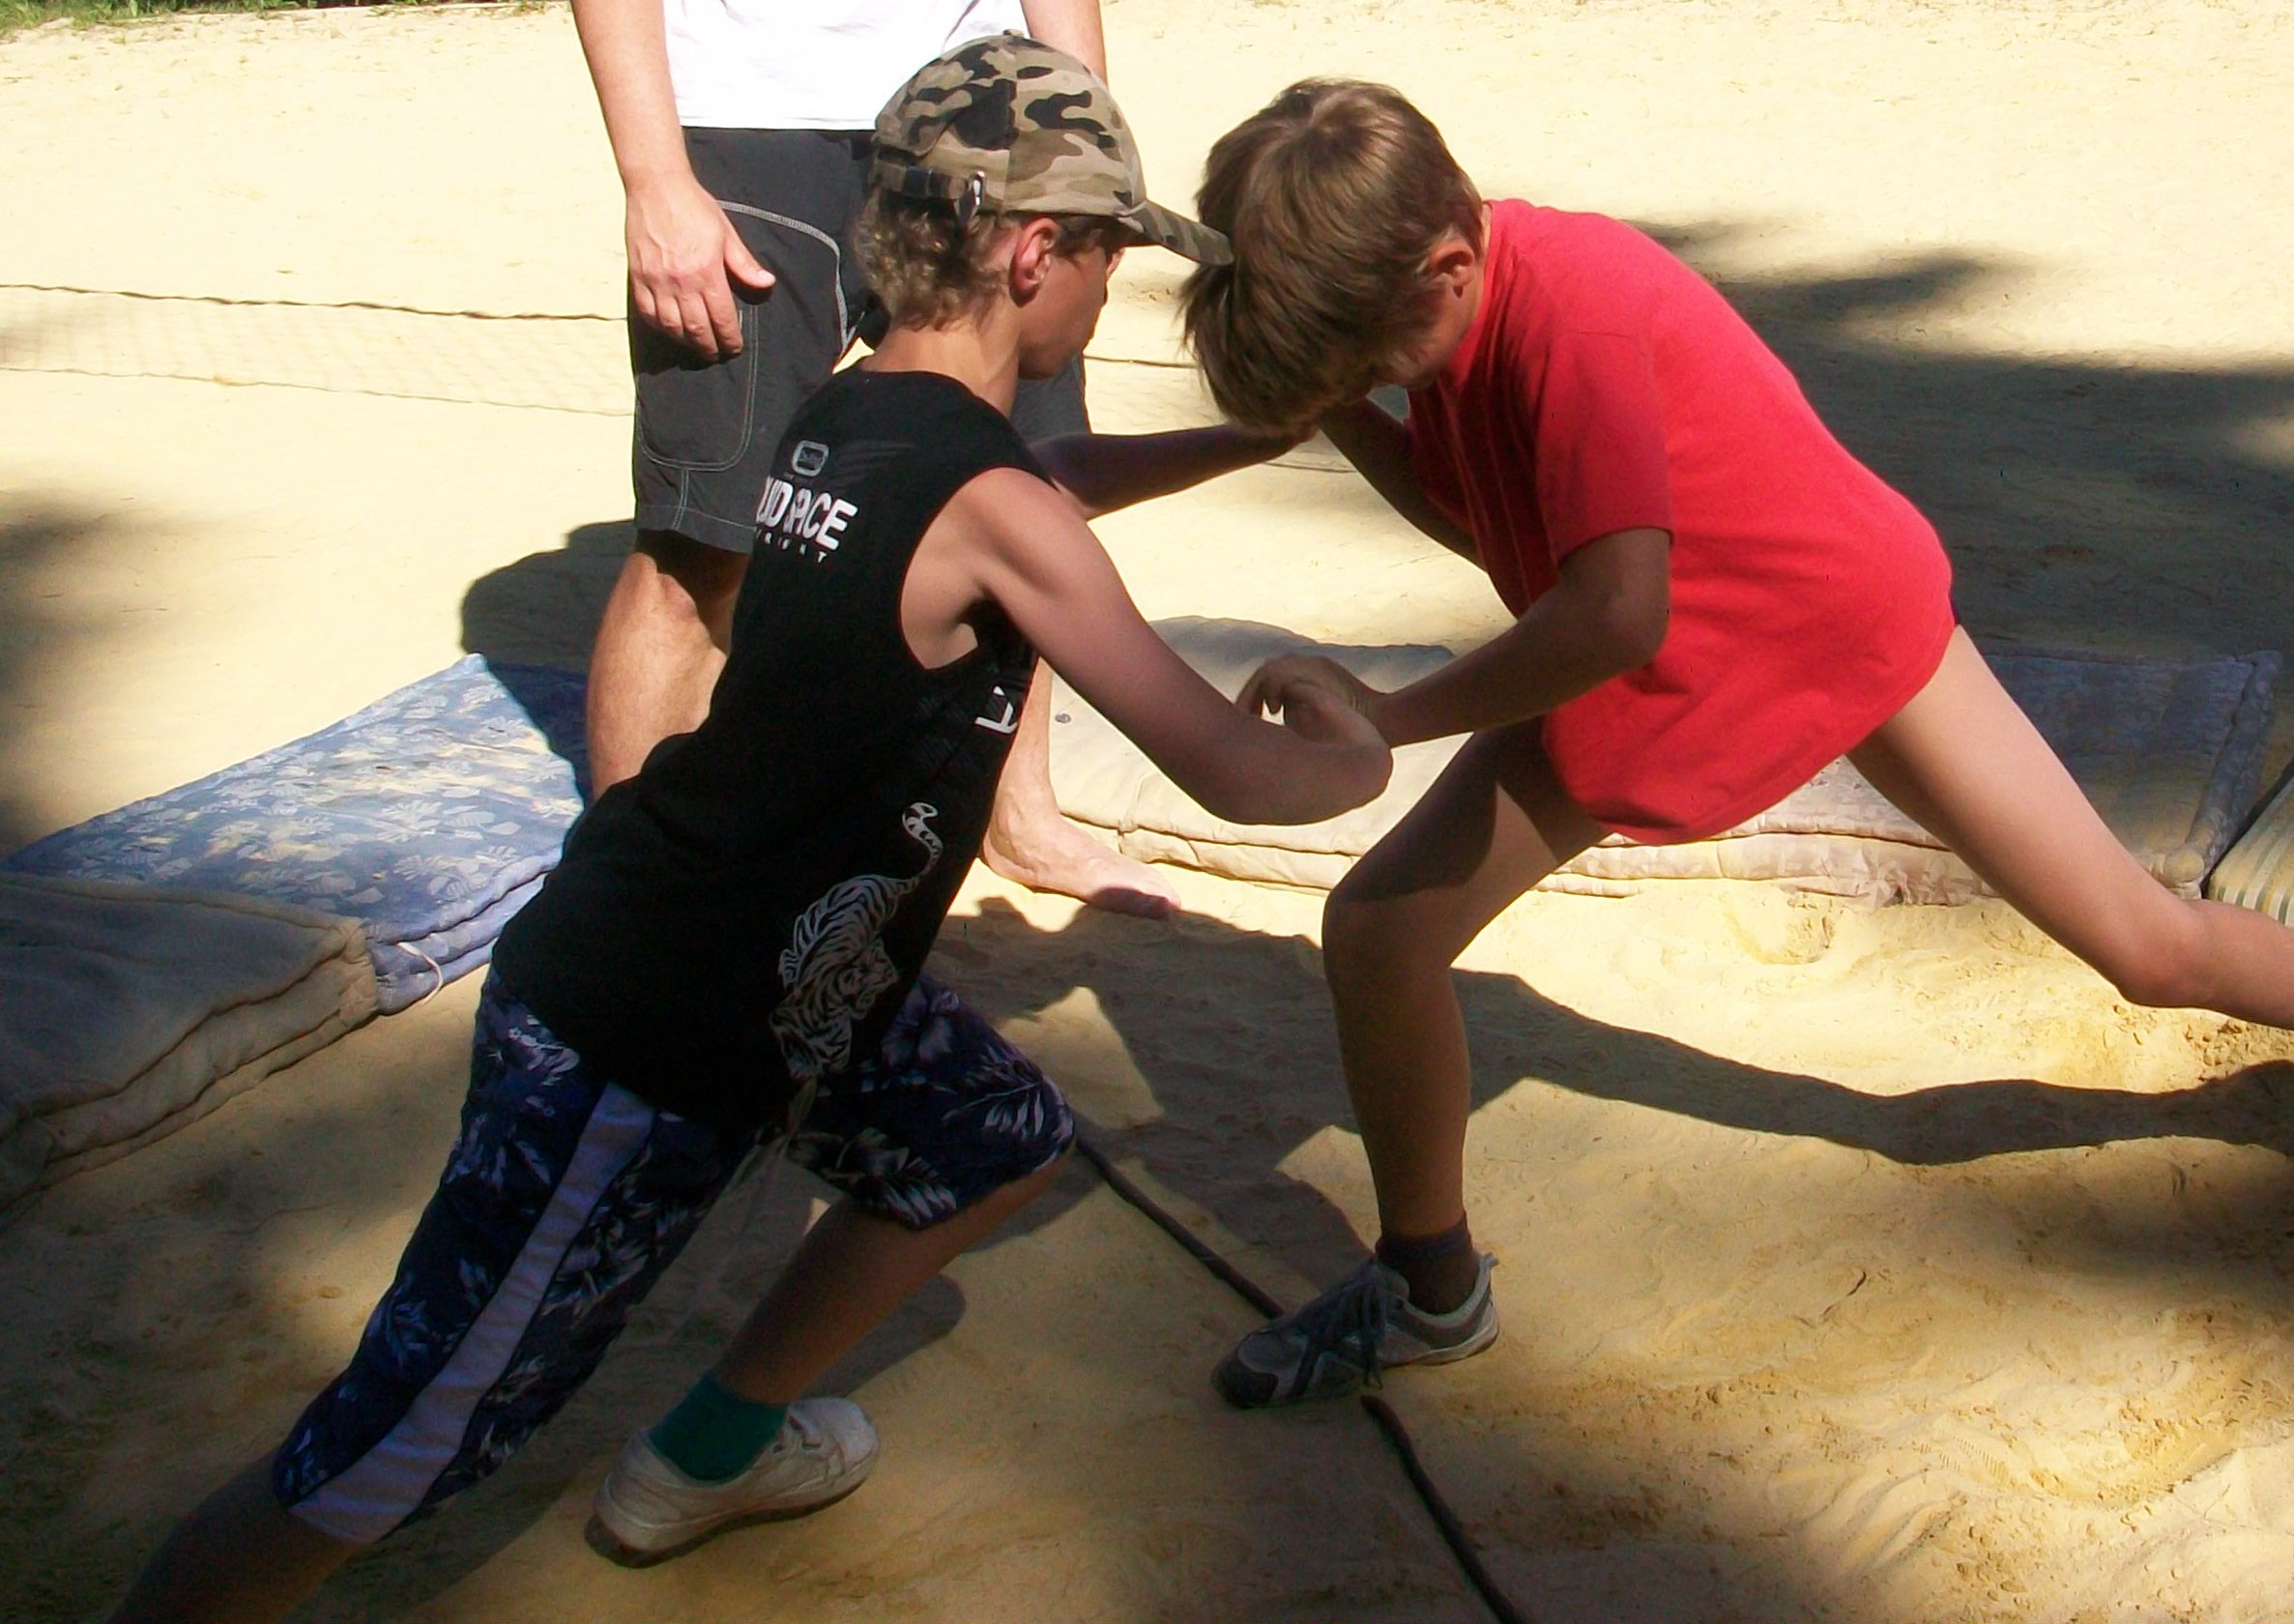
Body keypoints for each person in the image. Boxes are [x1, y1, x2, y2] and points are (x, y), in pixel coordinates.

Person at [108, 43, 1387, 1620]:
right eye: (1108, 254)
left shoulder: (856, 406)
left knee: (985, 1139)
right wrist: (1361, 741)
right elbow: (1234, 771)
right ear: (1033, 254)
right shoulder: (994, 510)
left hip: (774, 971)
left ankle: (707, 1455)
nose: (1112, 287)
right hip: (644, 1038)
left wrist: (1249, 441)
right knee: (388, 1452)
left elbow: (1045, 473)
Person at [1178, 80, 2294, 1409]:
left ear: (1446, 265)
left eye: (1376, 359)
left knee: (2145, 948)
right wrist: (1333, 401)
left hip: (1830, 621)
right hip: (1670, 654)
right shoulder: (1459, 310)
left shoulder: (1573, 311)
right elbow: (1484, 521)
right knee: (1382, 932)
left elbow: (1612, 616)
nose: (1379, 383)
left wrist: (1392, 713)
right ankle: (1431, 1289)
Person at [574, 0, 1188, 917]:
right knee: (704, 537)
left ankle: (1018, 813)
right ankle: (624, 880)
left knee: (1025, 497)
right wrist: (654, 178)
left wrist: (1091, 152)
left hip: (986, 114)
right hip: (748, 115)